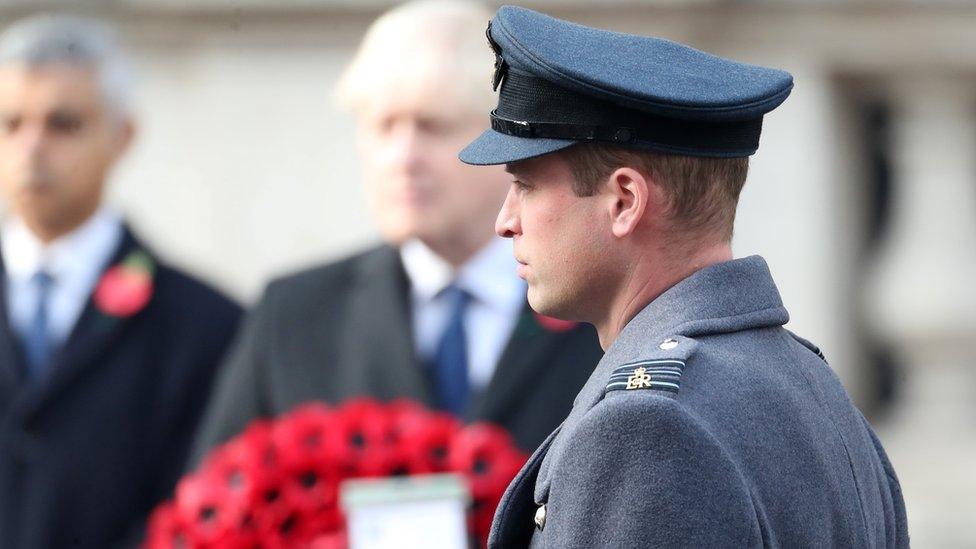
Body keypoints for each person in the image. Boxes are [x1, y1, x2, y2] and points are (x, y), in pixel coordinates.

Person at [459, 6, 909, 548]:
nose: (505, 222)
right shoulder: (810, 384)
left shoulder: (643, 429)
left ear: (624, 201)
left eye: (526, 185)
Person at [190, 0, 602, 461]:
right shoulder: (295, 315)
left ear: (506, 145)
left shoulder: (596, 302)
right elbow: (212, 511)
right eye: (383, 128)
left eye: (434, 127)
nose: (403, 158)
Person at [0, 15, 241, 548]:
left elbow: (200, 504)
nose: (31, 148)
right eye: (11, 123)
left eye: (63, 124)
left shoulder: (205, 324)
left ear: (122, 135)